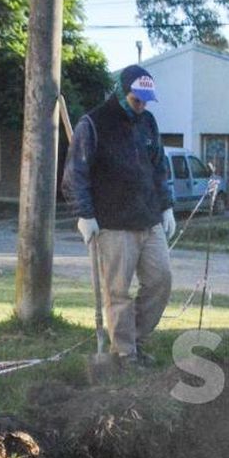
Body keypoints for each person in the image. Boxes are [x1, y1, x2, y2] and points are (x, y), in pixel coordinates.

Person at [61, 64, 176, 366]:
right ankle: (125, 354)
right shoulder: (94, 123)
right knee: (118, 292)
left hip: (148, 219)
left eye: (146, 99)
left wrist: (166, 206)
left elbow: (159, 166)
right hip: (112, 224)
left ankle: (133, 340)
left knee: (161, 280)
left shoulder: (148, 122)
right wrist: (83, 214)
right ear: (121, 92)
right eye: (137, 99)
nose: (142, 105)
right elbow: (76, 174)